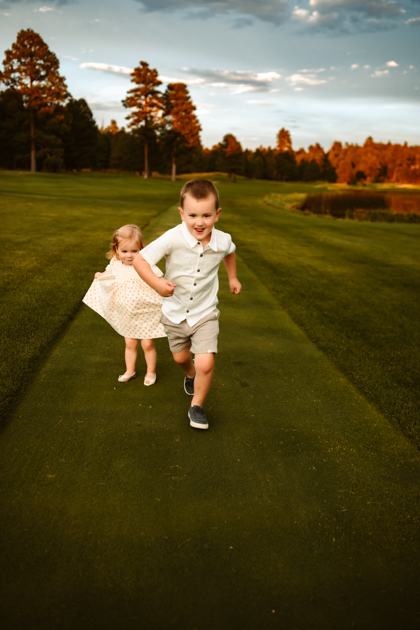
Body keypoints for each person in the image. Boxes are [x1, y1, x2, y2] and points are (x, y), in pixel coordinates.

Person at [134, 179, 241, 430]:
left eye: (206, 215)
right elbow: (140, 260)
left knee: (206, 362)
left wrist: (233, 277)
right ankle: (189, 375)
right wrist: (158, 284)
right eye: (192, 215)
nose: (199, 222)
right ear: (182, 213)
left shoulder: (222, 240)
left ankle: (197, 406)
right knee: (181, 358)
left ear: (217, 214)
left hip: (205, 312)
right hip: (174, 314)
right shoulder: (173, 237)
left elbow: (230, 252)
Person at [83, 224, 166, 386]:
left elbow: (157, 278)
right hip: (126, 312)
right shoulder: (115, 263)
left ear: (142, 249)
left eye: (134, 251)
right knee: (129, 342)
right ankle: (130, 370)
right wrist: (100, 275)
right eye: (125, 251)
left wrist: (164, 285)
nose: (129, 256)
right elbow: (109, 274)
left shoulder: (143, 264)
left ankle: (150, 372)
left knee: (147, 343)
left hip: (145, 311)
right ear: (116, 250)